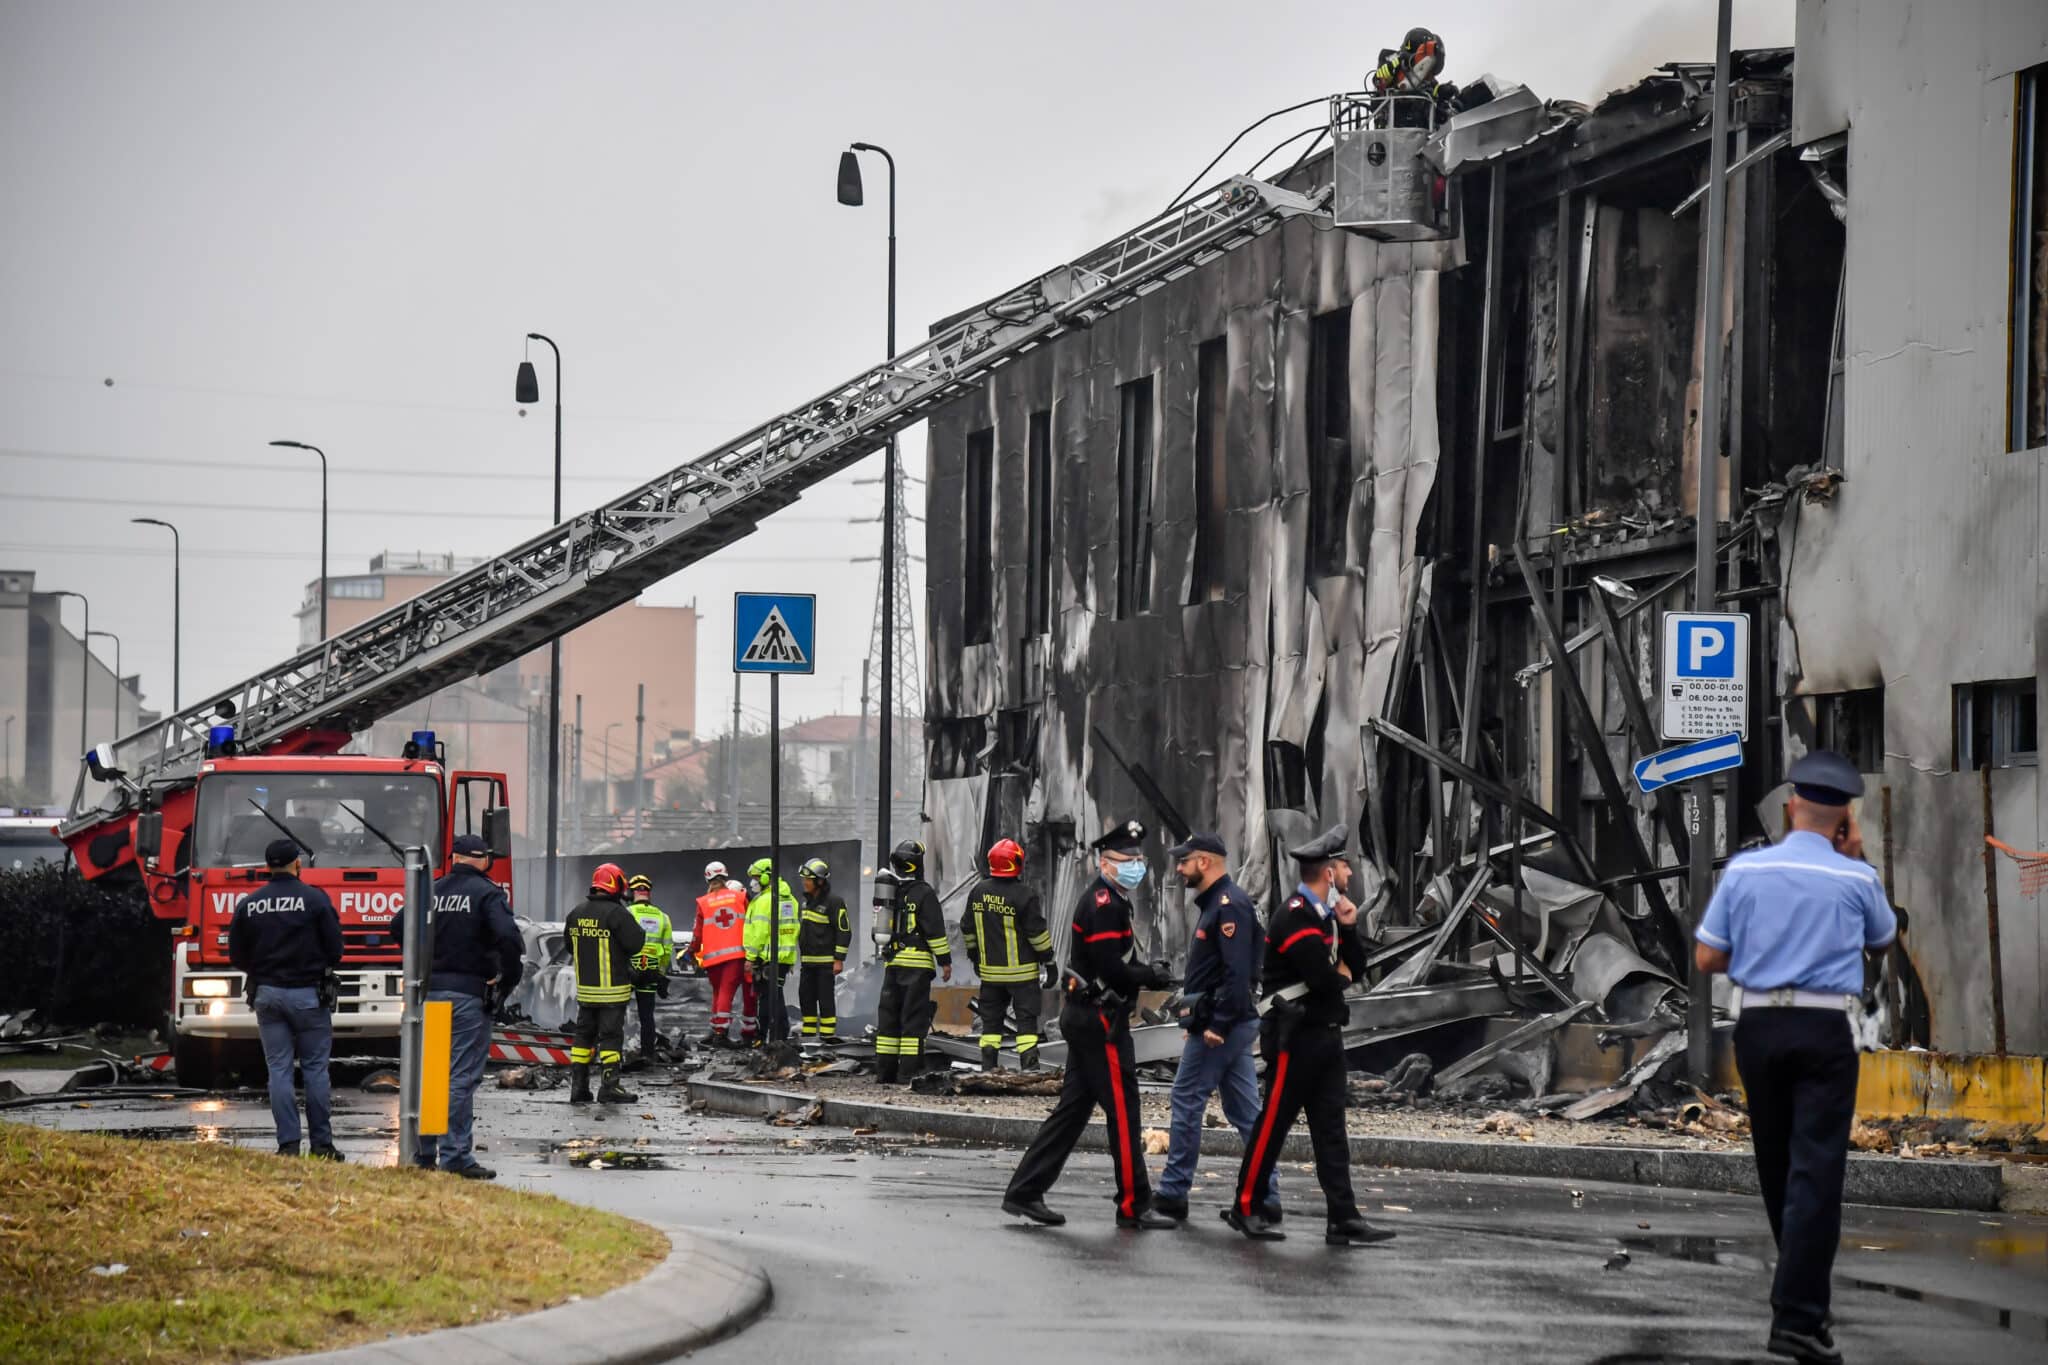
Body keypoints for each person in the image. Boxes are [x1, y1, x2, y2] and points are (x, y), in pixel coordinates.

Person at [1695, 750, 1895, 1365]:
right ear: (1843, 820)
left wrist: (1762, 951)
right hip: (1824, 1031)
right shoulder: (1855, 878)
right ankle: (1799, 1313)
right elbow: (1884, 938)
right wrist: (1854, 855)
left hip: (1758, 1026)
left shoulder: (1747, 871)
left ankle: (1801, 1300)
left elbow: (1707, 959)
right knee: (1815, 1172)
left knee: (1779, 1166)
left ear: (1789, 809)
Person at [1001, 820, 1177, 1230]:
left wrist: (1148, 972)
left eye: (1138, 858)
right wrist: (1148, 975)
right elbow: (1111, 968)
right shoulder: (1103, 904)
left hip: (1087, 1017)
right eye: (1126, 858)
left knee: (1073, 1111)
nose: (1136, 865)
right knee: (1124, 1110)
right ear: (1105, 862)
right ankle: (1134, 1203)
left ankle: (1024, 1192)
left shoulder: (1112, 901)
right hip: (1100, 1021)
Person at [1227, 824, 1392, 1246]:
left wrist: (1351, 928)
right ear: (1329, 872)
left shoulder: (1327, 917)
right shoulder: (1296, 914)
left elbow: (1356, 969)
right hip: (1294, 1039)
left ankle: (1343, 1216)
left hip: (1324, 1036)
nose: (1350, 875)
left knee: (1331, 1129)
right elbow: (1323, 978)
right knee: (1273, 1125)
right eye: (1344, 868)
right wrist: (1338, 974)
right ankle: (1246, 1205)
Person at [1153, 831, 1278, 1224]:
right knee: (1245, 1111)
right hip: (1226, 1023)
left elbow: (1238, 973)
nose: (1179, 867)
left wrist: (1219, 1024)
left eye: (1184, 861)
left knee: (1187, 1097)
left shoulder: (1229, 906)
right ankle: (1266, 1195)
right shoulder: (1218, 904)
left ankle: (1174, 1192)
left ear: (1204, 862)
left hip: (1224, 1024)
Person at [397, 832, 522, 1178]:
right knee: (460, 1077)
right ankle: (455, 1157)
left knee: (433, 1075)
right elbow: (510, 938)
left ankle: (425, 1152)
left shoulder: (431, 890)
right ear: (482, 859)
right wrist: (506, 977)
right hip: (468, 995)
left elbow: (398, 926)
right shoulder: (486, 893)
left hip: (431, 992)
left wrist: (423, 957)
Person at [227, 837, 344, 1160]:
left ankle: (288, 1145)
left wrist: (262, 971)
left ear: (266, 866)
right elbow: (336, 949)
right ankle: (322, 1145)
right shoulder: (316, 900)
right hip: (308, 996)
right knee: (315, 1070)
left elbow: (236, 953)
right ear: (298, 864)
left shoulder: (250, 903)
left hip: (267, 995)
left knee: (278, 1070)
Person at [962, 837, 1054, 1071]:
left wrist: (975, 957)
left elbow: (967, 928)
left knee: (990, 1025)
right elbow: (1037, 934)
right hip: (1022, 976)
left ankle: (988, 1068)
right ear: (1016, 862)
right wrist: (1050, 962)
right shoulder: (1025, 895)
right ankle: (1029, 1069)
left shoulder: (978, 892)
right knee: (1026, 1024)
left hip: (990, 976)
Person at [565, 862, 646, 1105]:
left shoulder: (576, 912)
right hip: (612, 992)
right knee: (610, 1039)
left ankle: (579, 1088)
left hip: (586, 993)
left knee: (583, 1039)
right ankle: (609, 1087)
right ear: (616, 884)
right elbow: (636, 943)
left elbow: (569, 946)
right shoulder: (617, 913)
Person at [874, 839, 951, 1082]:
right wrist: (945, 961)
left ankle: (884, 1073)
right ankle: (908, 1073)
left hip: (893, 963)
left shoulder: (890, 891)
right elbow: (935, 931)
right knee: (913, 1020)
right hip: (916, 966)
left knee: (889, 1019)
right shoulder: (924, 893)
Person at [693, 860, 752, 1048]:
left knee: (718, 993)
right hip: (734, 955)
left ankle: (716, 1029)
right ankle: (721, 1034)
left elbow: (697, 933)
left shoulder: (703, 902)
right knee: (726, 992)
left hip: (712, 958)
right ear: (726, 875)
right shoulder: (739, 897)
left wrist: (691, 951)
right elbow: (751, 925)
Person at [743, 856, 800, 1044]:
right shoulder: (790, 899)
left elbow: (759, 933)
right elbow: (793, 931)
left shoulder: (764, 901)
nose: (753, 882)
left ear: (767, 877)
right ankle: (779, 1037)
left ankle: (766, 1038)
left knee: (768, 999)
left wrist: (750, 957)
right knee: (777, 996)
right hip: (783, 960)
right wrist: (790, 960)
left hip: (766, 958)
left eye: (757, 877)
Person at [796, 857, 851, 1043]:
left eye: (808, 879)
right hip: (807, 962)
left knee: (825, 999)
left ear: (819, 881)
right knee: (806, 998)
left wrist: (839, 959)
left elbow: (844, 931)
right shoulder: (806, 903)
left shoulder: (834, 902)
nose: (804, 883)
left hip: (825, 963)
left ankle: (828, 1036)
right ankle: (809, 1036)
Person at [625, 873, 674, 1061]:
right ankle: (648, 1053)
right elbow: (668, 948)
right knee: (647, 1015)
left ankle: (616, 1051)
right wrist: (661, 972)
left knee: (618, 1011)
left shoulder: (628, 913)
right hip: (651, 969)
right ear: (648, 893)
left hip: (630, 968)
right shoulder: (663, 917)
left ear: (633, 892)